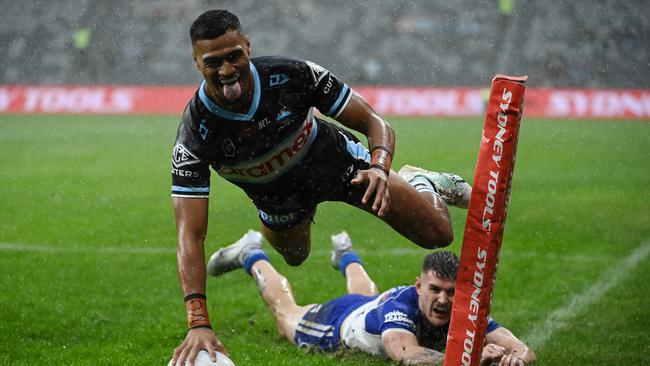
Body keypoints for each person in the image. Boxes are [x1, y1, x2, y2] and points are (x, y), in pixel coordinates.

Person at [171, 9, 472, 364]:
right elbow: (190, 234)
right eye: (213, 62)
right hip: (280, 201)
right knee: (295, 258)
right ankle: (250, 251)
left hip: (343, 168)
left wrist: (379, 167)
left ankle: (420, 180)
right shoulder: (193, 136)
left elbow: (375, 122)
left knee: (438, 234)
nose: (226, 70)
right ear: (195, 62)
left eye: (234, 55)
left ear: (248, 47)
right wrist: (198, 323)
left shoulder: (293, 74)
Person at [205, 230, 536, 365]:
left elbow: (523, 349)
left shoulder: (460, 309)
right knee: (286, 315)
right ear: (418, 286)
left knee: (370, 297)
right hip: (338, 324)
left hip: (368, 309)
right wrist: (473, 358)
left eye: (451, 293)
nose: (444, 300)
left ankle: (346, 254)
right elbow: (405, 353)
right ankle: (251, 253)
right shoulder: (400, 310)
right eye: (435, 290)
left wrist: (514, 359)